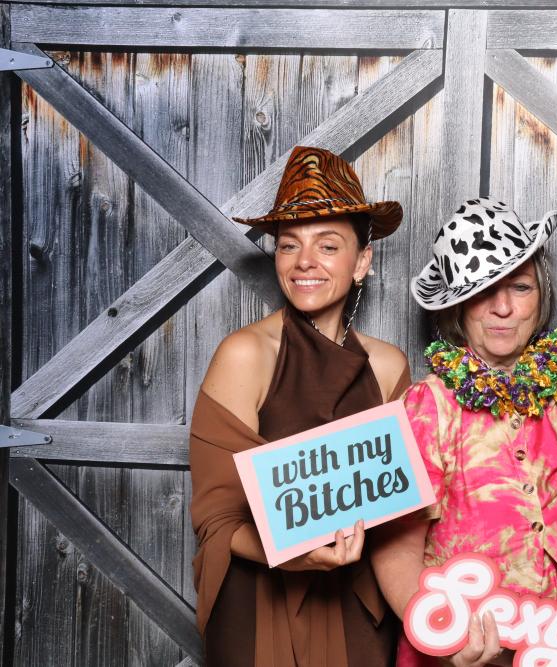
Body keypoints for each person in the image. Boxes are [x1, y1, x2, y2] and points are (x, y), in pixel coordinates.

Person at [371, 198, 557, 667]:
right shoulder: (427, 407)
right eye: (483, 290)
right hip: (460, 650)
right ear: (456, 306)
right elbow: (395, 550)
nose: (503, 308)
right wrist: (447, 643)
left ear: (541, 294)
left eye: (520, 287)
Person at [189, 146, 411, 667]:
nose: (304, 261)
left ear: (362, 262)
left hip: (356, 609)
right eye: (289, 245)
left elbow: (401, 513)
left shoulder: (388, 366)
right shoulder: (246, 355)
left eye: (327, 245)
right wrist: (290, 552)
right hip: (260, 612)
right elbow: (217, 519)